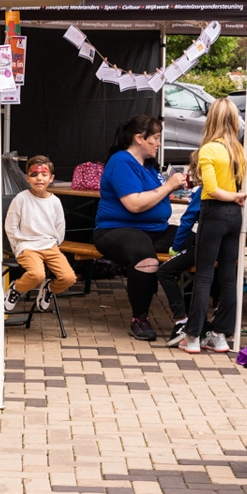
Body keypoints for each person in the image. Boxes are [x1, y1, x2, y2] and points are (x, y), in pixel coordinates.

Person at [93, 114, 192, 343]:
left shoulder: (148, 166)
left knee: (200, 241)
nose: (158, 143)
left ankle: (196, 313)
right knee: (144, 254)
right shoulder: (121, 162)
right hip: (115, 230)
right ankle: (139, 318)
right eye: (155, 138)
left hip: (154, 229)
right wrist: (168, 186)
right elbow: (134, 204)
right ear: (139, 138)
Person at [179, 97, 247, 354]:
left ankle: (193, 336)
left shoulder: (208, 150)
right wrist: (238, 197)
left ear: (211, 119)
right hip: (235, 216)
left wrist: (231, 196)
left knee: (204, 276)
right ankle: (220, 334)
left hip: (215, 212)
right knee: (229, 276)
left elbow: (211, 189)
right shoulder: (239, 150)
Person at [4, 155, 76, 312]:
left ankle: (49, 289)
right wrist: (18, 246)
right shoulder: (21, 198)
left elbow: (60, 226)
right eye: (34, 174)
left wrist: (55, 244)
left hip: (50, 246)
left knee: (68, 278)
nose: (39, 179)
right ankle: (16, 288)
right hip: (27, 246)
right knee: (37, 275)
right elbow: (11, 225)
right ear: (27, 178)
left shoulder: (55, 201)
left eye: (44, 174)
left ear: (51, 178)